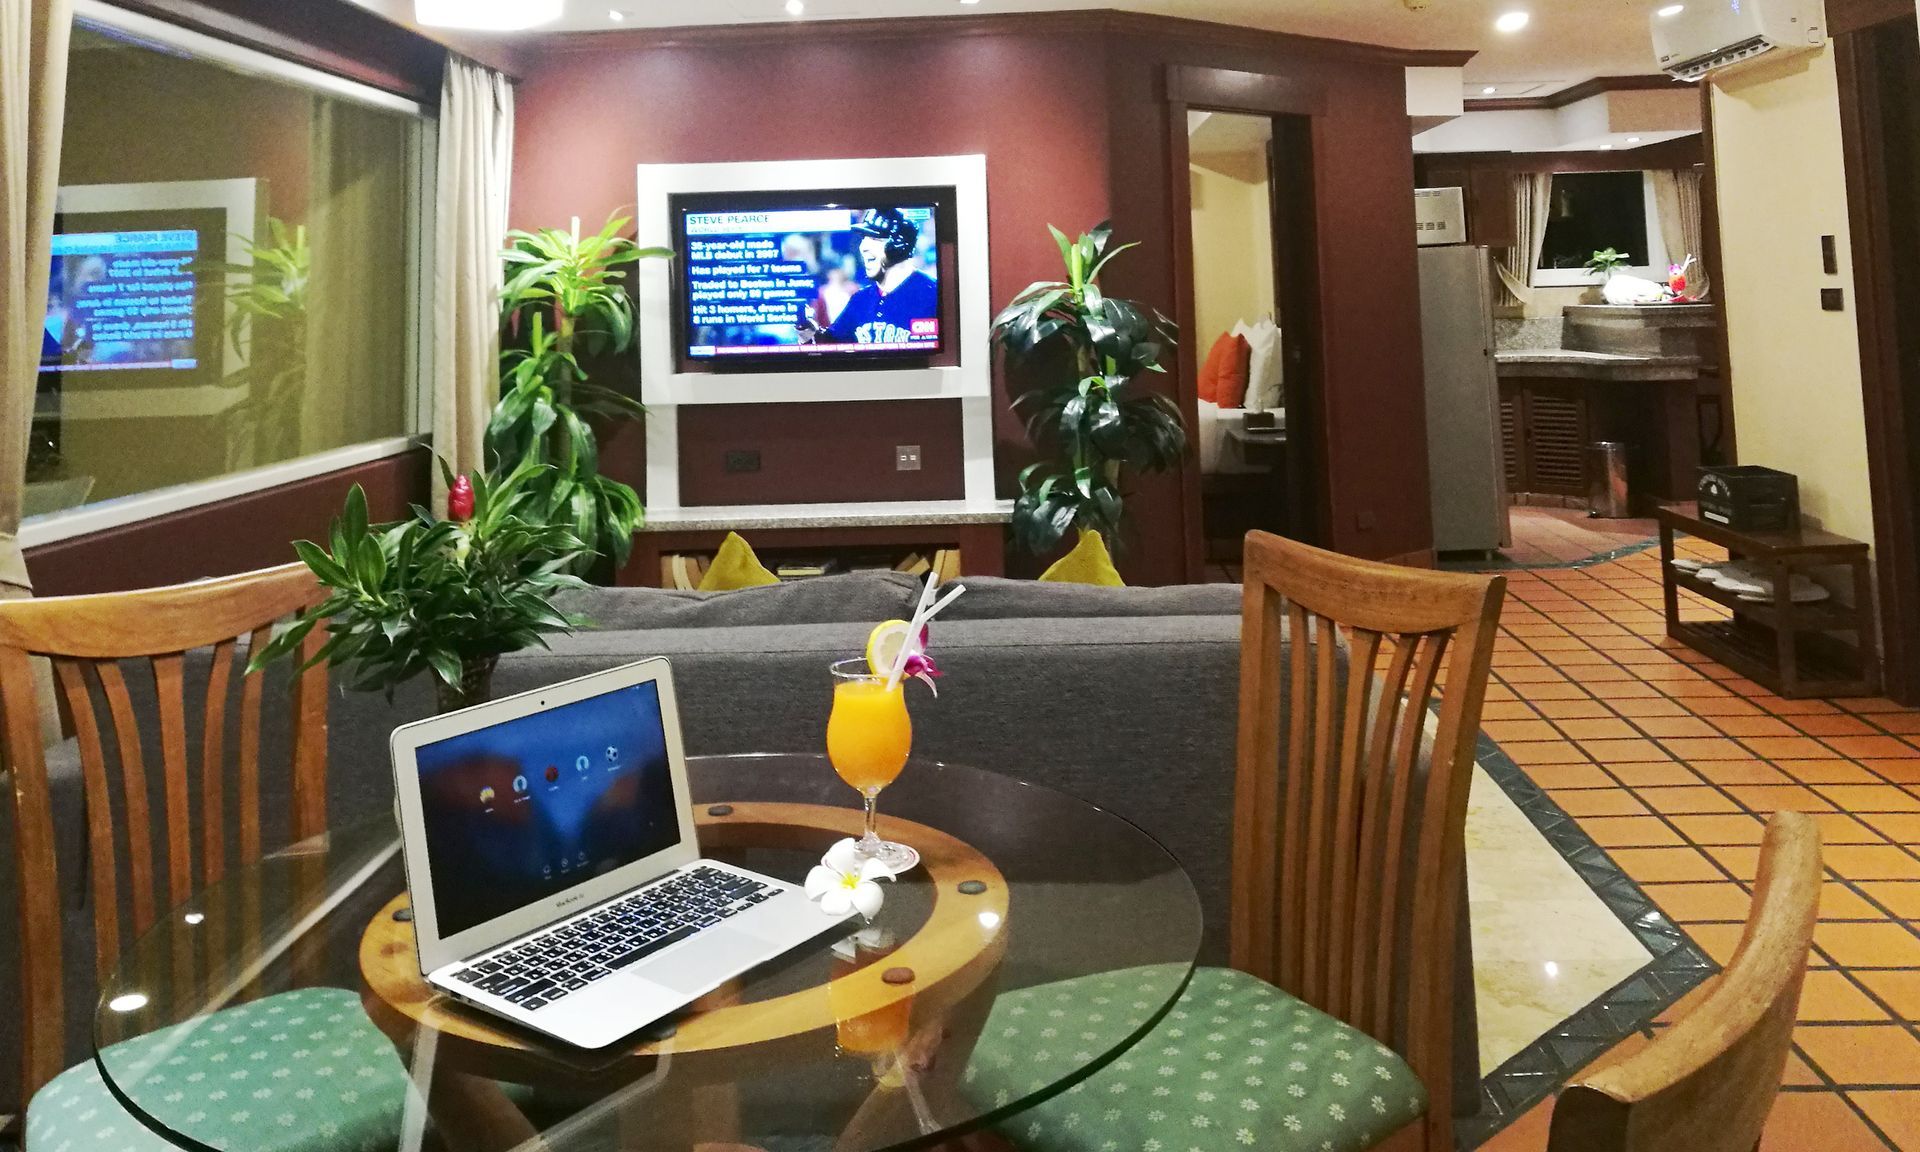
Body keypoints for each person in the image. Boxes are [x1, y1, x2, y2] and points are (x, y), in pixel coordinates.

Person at [799, 208, 938, 347]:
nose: (863, 247)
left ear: (899, 246)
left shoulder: (933, 295)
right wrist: (808, 331)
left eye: (875, 238)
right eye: (864, 238)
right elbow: (832, 347)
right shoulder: (861, 299)